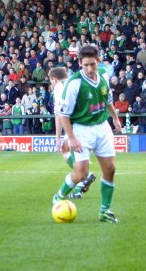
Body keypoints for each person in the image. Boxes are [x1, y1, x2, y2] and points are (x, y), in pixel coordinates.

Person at [52, 45, 122, 223]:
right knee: (81, 173)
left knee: (110, 169)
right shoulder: (74, 83)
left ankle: (104, 211)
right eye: (85, 65)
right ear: (80, 64)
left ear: (98, 61)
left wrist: (115, 119)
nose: (90, 69)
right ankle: (59, 197)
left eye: (92, 64)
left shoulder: (104, 77)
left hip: (102, 126)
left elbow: (108, 101)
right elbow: (63, 114)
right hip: (82, 130)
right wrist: (72, 137)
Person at [48, 67, 96, 199]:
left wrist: (57, 138)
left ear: (54, 79)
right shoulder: (74, 82)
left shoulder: (58, 87)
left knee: (64, 150)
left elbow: (58, 114)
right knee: (68, 150)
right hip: (88, 121)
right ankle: (80, 185)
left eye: (50, 81)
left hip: (76, 125)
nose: (51, 84)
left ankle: (83, 178)